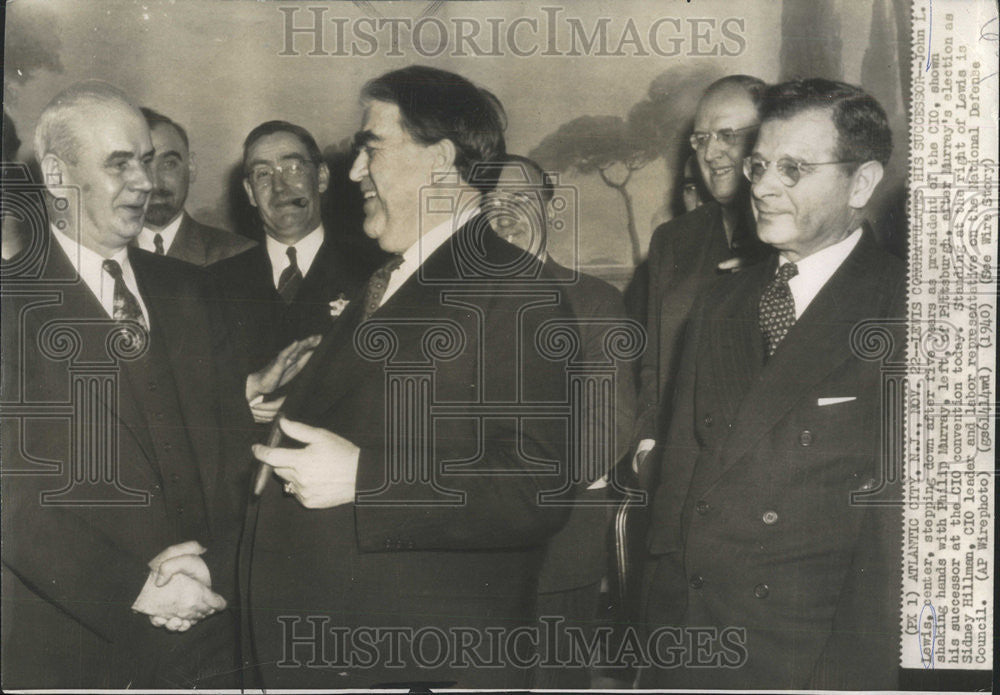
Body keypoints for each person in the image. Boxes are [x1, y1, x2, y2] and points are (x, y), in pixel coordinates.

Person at [243, 66, 576, 689]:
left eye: (371, 148)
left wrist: (367, 479)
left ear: (441, 160)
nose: (353, 172)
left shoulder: (512, 289)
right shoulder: (390, 278)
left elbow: (537, 485)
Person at [639, 78, 904, 689]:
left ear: (860, 183)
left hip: (811, 655)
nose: (760, 185)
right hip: (692, 643)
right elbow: (681, 487)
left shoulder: (908, 308)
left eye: (794, 169)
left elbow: (893, 541)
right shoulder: (722, 302)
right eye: (760, 165)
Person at [0, 81, 257, 689]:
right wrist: (138, 589)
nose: (146, 182)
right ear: (58, 176)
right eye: (120, 165)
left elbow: (237, 456)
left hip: (214, 628)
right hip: (75, 641)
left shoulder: (192, 290)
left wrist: (214, 570)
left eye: (147, 161)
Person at [485, 154, 637, 688]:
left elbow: (607, 426)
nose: (504, 214)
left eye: (521, 200)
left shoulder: (596, 302)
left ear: (551, 211)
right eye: (490, 202)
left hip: (556, 548)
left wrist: (496, 492)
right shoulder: (444, 304)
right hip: (458, 553)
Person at [632, 75, 768, 485]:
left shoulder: (797, 238)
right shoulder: (674, 240)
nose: (711, 153)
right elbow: (655, 365)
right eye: (701, 138)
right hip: (679, 469)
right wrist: (646, 447)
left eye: (728, 135)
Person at [211, 121, 372, 375]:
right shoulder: (215, 286)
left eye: (293, 168)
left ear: (321, 177)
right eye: (263, 173)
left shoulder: (372, 272)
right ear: (250, 193)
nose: (279, 187)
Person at [135, 107, 254, 265]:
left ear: (191, 167)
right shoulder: (102, 254)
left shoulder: (240, 255)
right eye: (144, 165)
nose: (156, 183)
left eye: (169, 164)